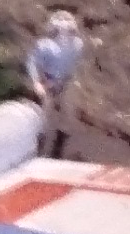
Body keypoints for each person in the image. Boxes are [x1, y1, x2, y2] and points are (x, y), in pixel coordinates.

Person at [24, 11, 88, 159]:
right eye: (62, 30)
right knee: (43, 117)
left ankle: (58, 151)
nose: (65, 34)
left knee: (68, 115)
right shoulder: (44, 45)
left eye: (69, 30)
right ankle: (37, 149)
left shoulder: (78, 45)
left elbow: (74, 64)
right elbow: (31, 62)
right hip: (48, 82)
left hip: (66, 82)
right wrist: (36, 82)